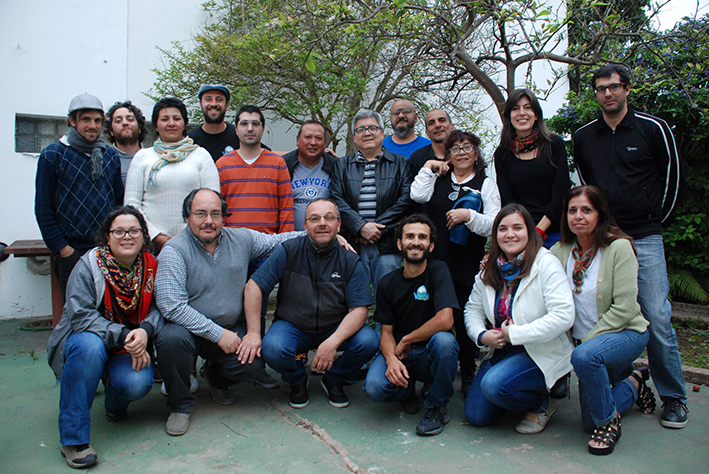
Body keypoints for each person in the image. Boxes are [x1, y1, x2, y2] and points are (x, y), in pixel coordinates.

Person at [573, 64, 687, 428]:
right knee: (608, 311)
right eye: (601, 88)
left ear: (626, 89)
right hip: (607, 239)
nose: (608, 93)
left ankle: (675, 398)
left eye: (614, 87)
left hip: (646, 235)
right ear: (595, 94)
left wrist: (654, 220)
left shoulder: (653, 128)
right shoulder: (584, 136)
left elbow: (673, 179)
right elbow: (588, 184)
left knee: (656, 315)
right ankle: (626, 382)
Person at [154, 189, 303, 436]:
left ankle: (215, 377)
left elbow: (278, 241)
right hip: (188, 331)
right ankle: (179, 405)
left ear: (224, 217)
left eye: (215, 214)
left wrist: (319, 235)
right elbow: (172, 306)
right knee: (170, 339)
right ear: (187, 217)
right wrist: (217, 334)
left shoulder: (241, 239)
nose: (208, 221)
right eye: (200, 214)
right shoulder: (174, 250)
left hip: (230, 327)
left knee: (252, 363)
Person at [46, 206, 162, 469]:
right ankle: (74, 439)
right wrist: (126, 335)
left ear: (143, 236)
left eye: (134, 230)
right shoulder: (88, 265)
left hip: (129, 346)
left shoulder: (153, 266)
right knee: (89, 348)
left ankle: (114, 404)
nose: (127, 236)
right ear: (106, 236)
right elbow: (80, 315)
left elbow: (161, 307)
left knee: (135, 383)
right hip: (88, 341)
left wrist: (145, 330)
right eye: (118, 231)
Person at [551, 186, 655, 455]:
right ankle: (634, 382)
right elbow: (529, 271)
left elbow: (625, 309)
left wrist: (584, 343)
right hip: (587, 347)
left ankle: (609, 424)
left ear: (600, 214)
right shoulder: (561, 250)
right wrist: (492, 263)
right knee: (588, 421)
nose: (578, 216)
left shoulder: (619, 248)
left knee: (586, 358)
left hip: (626, 332)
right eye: (572, 210)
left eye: (587, 210)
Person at [247, 198, 378, 409]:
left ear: (339, 225)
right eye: (314, 219)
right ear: (305, 225)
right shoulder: (288, 250)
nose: (322, 223)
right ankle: (298, 381)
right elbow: (254, 286)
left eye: (329, 218)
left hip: (335, 326)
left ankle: (334, 379)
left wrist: (332, 343)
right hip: (293, 326)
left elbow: (359, 310)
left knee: (369, 341)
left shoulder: (351, 259)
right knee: (273, 348)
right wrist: (253, 332)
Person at [464, 204, 574, 434]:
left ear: (529, 231)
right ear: (495, 235)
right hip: (503, 351)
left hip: (540, 351)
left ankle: (541, 404)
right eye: (503, 229)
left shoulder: (546, 263)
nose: (510, 234)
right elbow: (472, 309)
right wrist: (482, 335)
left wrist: (514, 334)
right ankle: (513, 389)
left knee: (494, 386)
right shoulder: (490, 268)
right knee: (477, 415)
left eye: (517, 227)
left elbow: (564, 315)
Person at [410, 130, 501, 395]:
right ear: (447, 154)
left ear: (476, 152)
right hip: (435, 260)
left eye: (467, 147)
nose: (461, 152)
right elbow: (418, 196)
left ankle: (468, 368)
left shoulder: (486, 183)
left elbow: (495, 223)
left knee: (462, 315)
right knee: (431, 312)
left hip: (466, 261)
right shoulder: (439, 178)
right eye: (455, 148)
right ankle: (430, 371)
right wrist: (428, 166)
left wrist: (469, 215)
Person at [364, 214, 459, 436]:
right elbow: (386, 332)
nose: (416, 241)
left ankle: (437, 406)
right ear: (399, 243)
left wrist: (406, 339)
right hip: (401, 355)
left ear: (431, 245)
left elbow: (445, 320)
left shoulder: (438, 271)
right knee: (375, 388)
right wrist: (390, 360)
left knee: (445, 341)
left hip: (428, 352)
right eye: (410, 236)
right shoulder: (387, 283)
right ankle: (406, 391)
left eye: (422, 237)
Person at [35, 93, 124, 300]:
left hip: (106, 249)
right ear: (72, 121)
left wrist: (114, 243)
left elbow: (118, 202)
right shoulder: (52, 155)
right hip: (71, 251)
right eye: (86, 119)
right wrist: (63, 249)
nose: (92, 125)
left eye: (97, 120)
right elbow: (43, 208)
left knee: (110, 308)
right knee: (77, 312)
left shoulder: (110, 155)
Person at [330, 109, 413, 292]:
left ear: (383, 133)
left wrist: (375, 228)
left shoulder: (401, 164)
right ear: (354, 136)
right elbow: (335, 199)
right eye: (361, 129)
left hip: (388, 245)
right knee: (351, 299)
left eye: (373, 128)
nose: (367, 133)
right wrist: (360, 226)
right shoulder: (341, 166)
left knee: (388, 300)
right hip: (352, 244)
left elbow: (406, 201)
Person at [124, 97, 219, 253]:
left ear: (184, 122)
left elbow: (214, 203)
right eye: (164, 119)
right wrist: (156, 236)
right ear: (155, 124)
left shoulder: (201, 155)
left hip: (195, 244)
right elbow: (131, 204)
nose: (171, 123)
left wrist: (188, 236)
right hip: (149, 245)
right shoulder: (142, 157)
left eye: (176, 118)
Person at [494, 88, 570, 248]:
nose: (522, 113)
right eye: (516, 108)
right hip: (521, 234)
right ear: (509, 117)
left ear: (536, 114)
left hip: (555, 232)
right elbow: (508, 200)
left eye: (528, 107)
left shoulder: (554, 145)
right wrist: (524, 231)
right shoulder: (502, 154)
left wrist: (539, 230)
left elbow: (561, 194)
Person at [216, 104, 295, 233]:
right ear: (236, 129)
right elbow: (217, 208)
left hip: (270, 244)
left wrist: (285, 243)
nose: (250, 128)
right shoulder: (222, 165)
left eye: (255, 124)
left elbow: (286, 208)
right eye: (244, 124)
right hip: (233, 242)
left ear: (263, 129)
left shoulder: (278, 164)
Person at [282, 120, 338, 226]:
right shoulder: (284, 166)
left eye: (319, 138)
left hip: (326, 238)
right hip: (291, 238)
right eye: (308, 137)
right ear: (298, 140)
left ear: (325, 143)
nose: (313, 142)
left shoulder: (336, 167)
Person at [187, 84, 240, 162]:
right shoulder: (190, 141)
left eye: (219, 99)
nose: (213, 104)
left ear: (227, 105)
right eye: (208, 99)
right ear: (201, 104)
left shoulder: (239, 137)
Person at [104, 101, 148, 185]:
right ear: (111, 131)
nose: (125, 123)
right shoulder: (105, 161)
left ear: (140, 128)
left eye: (130, 119)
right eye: (118, 121)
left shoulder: (152, 158)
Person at [408, 109, 455, 174]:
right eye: (431, 123)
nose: (438, 125)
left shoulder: (464, 154)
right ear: (427, 134)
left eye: (442, 120)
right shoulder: (417, 158)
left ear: (452, 127)